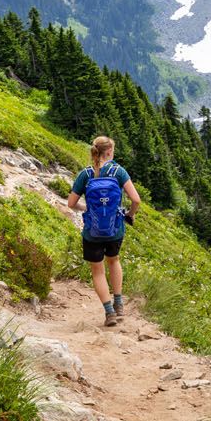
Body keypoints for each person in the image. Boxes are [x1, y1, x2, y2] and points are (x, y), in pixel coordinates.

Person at [67, 136, 141, 326]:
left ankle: (109, 313)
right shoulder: (118, 171)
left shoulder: (85, 174)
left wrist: (89, 210)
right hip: (115, 229)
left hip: (92, 231)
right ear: (109, 152)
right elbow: (136, 200)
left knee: (97, 271)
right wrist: (129, 215)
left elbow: (71, 204)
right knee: (114, 261)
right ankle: (119, 304)